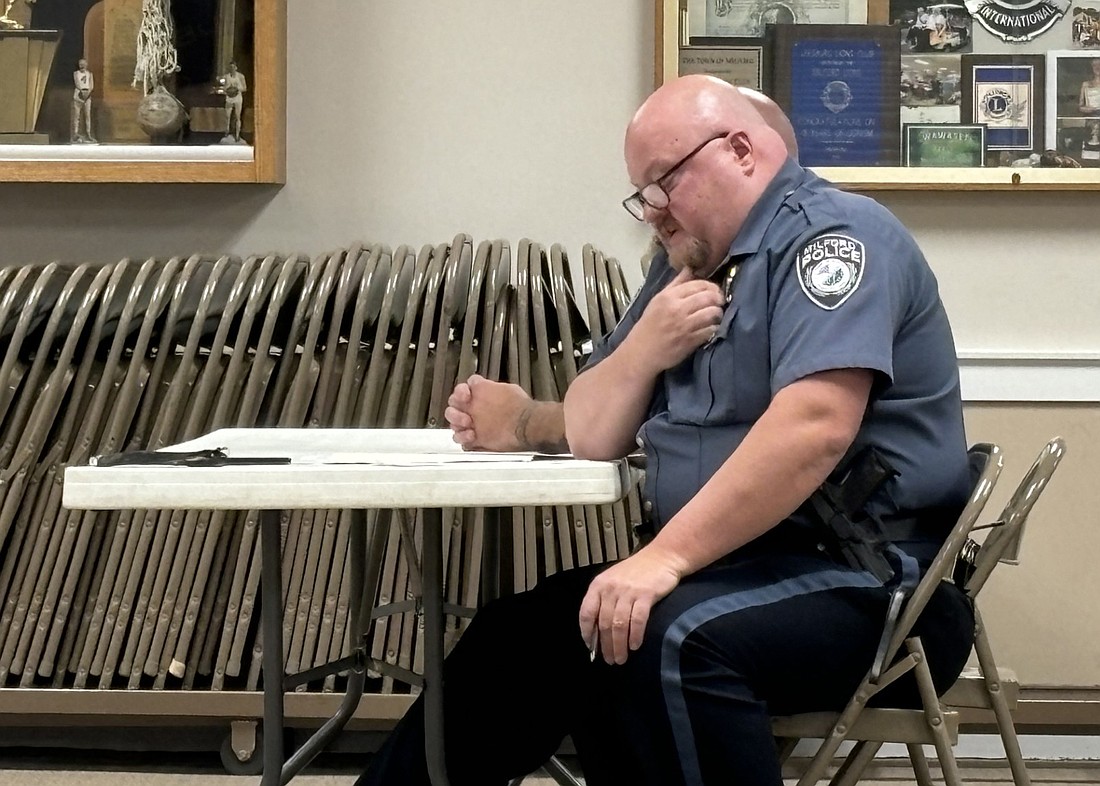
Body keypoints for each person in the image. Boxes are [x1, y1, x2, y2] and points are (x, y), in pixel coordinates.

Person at [360, 74, 975, 786]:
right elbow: (595, 431)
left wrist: (662, 560)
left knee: (660, 639)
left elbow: (814, 429)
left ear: (740, 151)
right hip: (748, 566)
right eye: (642, 194)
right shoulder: (689, 260)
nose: (652, 210)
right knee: (529, 631)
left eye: (665, 182)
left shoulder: (834, 238)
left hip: (871, 579)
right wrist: (645, 347)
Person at [219, 61, 247, 142]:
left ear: (236, 67)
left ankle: (237, 135)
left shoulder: (241, 76)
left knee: (238, 116)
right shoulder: (226, 77)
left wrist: (237, 89)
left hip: (237, 97)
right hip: (229, 97)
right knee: (227, 116)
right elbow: (223, 87)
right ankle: (227, 131)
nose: (232, 69)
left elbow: (245, 88)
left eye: (233, 67)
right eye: (230, 67)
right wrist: (227, 90)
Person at [71, 58, 96, 144]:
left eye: (83, 64)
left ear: (86, 64)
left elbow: (91, 85)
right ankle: (75, 133)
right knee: (77, 115)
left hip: (87, 96)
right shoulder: (76, 73)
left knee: (87, 115)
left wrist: (88, 93)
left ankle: (88, 133)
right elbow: (77, 83)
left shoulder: (89, 74)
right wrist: (82, 93)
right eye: (80, 64)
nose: (82, 66)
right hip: (78, 95)